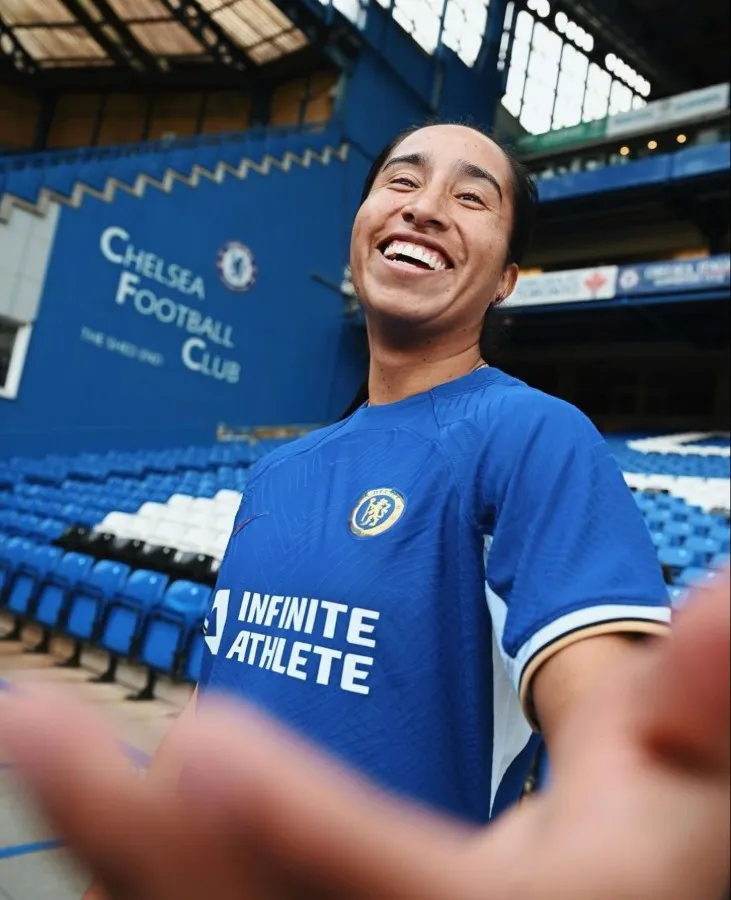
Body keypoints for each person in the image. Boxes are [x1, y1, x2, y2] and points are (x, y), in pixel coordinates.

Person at [22, 118, 717, 898]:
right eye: (401, 180)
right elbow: (207, 723)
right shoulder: (277, 475)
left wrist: (624, 826)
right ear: (360, 226)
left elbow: (606, 722)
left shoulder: (530, 435)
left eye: (470, 197)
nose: (423, 207)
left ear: (505, 280)